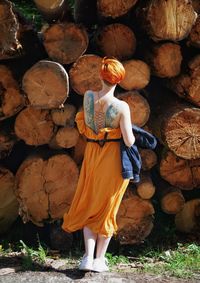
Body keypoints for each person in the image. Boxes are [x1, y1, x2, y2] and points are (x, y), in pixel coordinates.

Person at [62, 57, 135, 272]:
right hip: (112, 159)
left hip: (92, 154)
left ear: (101, 76)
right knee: (107, 207)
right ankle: (99, 260)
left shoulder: (88, 98)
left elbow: (83, 125)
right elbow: (129, 140)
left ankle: (87, 256)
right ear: (119, 80)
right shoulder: (122, 107)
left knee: (90, 203)